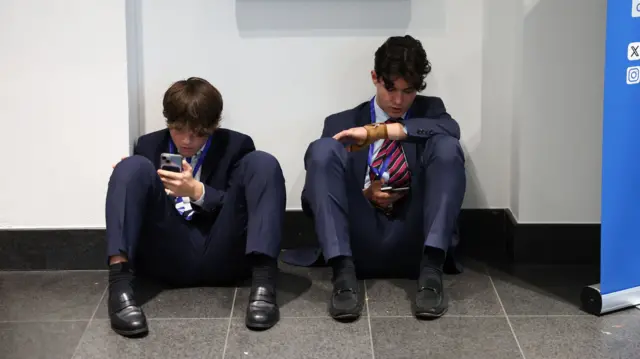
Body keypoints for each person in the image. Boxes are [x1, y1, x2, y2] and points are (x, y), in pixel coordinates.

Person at [282, 35, 465, 321]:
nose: (398, 100)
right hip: (359, 232)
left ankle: (432, 272)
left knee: (447, 146)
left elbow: (451, 131)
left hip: (414, 230)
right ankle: (342, 275)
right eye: (390, 88)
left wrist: (378, 132)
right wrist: (363, 194)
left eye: (408, 91)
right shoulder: (340, 122)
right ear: (374, 78)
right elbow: (312, 201)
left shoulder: (431, 112)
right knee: (323, 148)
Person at [106, 77, 286, 337]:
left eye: (199, 133)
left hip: (222, 248)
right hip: (169, 251)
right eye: (179, 129)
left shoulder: (236, 146)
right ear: (168, 122)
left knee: (263, 163)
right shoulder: (148, 146)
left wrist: (197, 192)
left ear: (213, 127)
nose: (187, 140)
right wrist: (134, 180)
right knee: (130, 167)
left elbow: (240, 209)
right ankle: (120, 288)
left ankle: (264, 286)